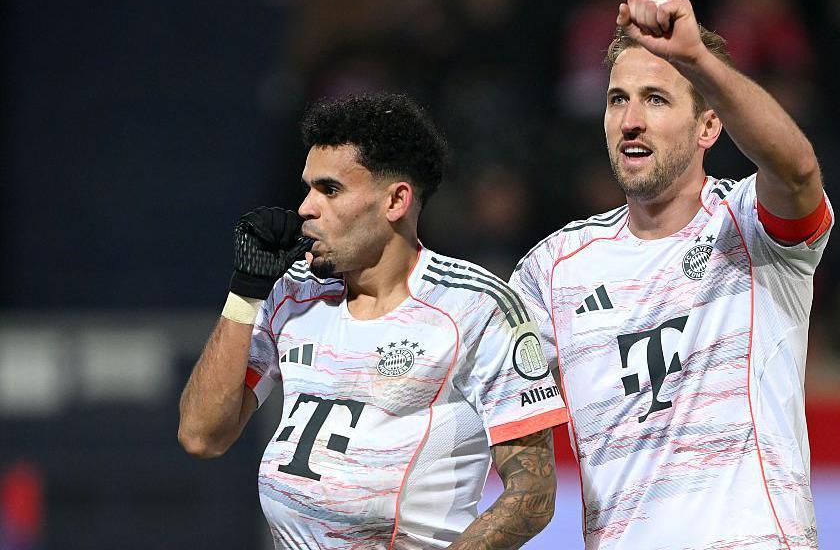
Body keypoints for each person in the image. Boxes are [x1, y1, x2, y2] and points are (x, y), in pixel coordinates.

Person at [509, 0, 832, 550]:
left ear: (710, 125)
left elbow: (798, 171)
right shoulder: (553, 269)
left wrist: (700, 62)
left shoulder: (750, 226)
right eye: (617, 101)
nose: (630, 122)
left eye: (655, 99)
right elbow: (483, 391)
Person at [178, 93, 568, 549]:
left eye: (330, 189)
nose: (305, 207)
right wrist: (245, 291)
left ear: (396, 200)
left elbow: (532, 495)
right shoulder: (292, 293)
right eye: (307, 188)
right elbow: (202, 435)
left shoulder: (477, 308)